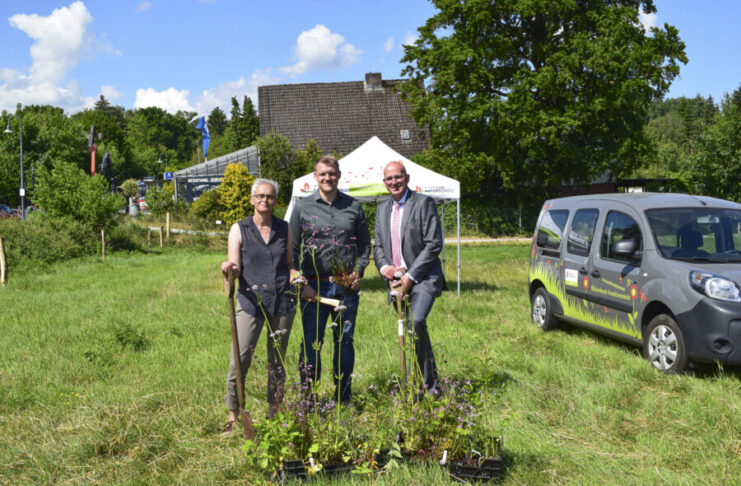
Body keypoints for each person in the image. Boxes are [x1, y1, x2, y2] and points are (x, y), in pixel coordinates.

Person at [289, 155, 371, 403]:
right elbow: (291, 249)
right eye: (322, 174)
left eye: (332, 173)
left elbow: (366, 245)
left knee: (345, 343)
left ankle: (343, 398)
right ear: (315, 177)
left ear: (339, 175)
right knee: (312, 345)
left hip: (346, 287)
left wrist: (360, 270)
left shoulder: (354, 206)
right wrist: (300, 284)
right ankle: (309, 401)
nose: (327, 178)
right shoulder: (302, 207)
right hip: (313, 288)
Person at [220, 178, 297, 433]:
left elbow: (289, 263)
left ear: (276, 201)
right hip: (251, 302)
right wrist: (229, 268)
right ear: (253, 199)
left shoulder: (284, 228)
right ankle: (233, 413)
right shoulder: (239, 229)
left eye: (271, 196)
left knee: (277, 360)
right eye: (261, 196)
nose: (265, 200)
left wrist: (295, 273)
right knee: (240, 359)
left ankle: (275, 409)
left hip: (282, 301)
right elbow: (236, 266)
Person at [373, 161, 444, 393]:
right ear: (384, 183)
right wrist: (385, 268)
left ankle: (428, 386)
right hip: (396, 282)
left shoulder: (423, 203)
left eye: (398, 177)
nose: (394, 182)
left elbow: (434, 244)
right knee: (412, 331)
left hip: (422, 277)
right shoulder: (382, 208)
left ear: (407, 177)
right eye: (389, 179)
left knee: (416, 322)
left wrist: (410, 277)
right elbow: (379, 246)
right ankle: (421, 381)